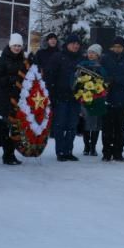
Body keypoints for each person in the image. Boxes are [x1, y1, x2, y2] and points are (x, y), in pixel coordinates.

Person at [0, 33, 28, 166]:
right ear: (10, 45)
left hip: (19, 99)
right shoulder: (2, 60)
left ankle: (12, 153)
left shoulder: (23, 60)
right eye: (15, 45)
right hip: (5, 99)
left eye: (19, 45)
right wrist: (11, 80)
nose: (17, 48)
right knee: (6, 127)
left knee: (16, 127)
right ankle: (7, 155)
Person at [48, 34, 84, 162]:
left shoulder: (81, 59)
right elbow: (50, 77)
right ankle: (60, 151)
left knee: (72, 125)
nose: (75, 46)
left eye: (77, 44)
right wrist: (52, 95)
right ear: (67, 44)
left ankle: (69, 151)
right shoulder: (58, 57)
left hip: (75, 97)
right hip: (60, 97)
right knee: (60, 125)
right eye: (73, 43)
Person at [101, 37, 124, 163]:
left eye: (119, 46)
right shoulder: (104, 59)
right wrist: (107, 80)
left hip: (122, 98)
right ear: (112, 47)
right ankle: (106, 152)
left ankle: (118, 152)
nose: (117, 49)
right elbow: (100, 74)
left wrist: (116, 79)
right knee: (107, 128)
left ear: (123, 47)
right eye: (115, 46)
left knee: (119, 128)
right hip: (107, 97)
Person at [78, 44, 107, 157]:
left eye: (93, 53)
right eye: (89, 52)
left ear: (98, 55)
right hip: (85, 97)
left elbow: (105, 81)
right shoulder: (82, 65)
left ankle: (93, 147)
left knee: (96, 124)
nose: (91, 55)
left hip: (98, 98)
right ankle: (86, 146)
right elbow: (77, 79)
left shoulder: (101, 67)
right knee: (86, 123)